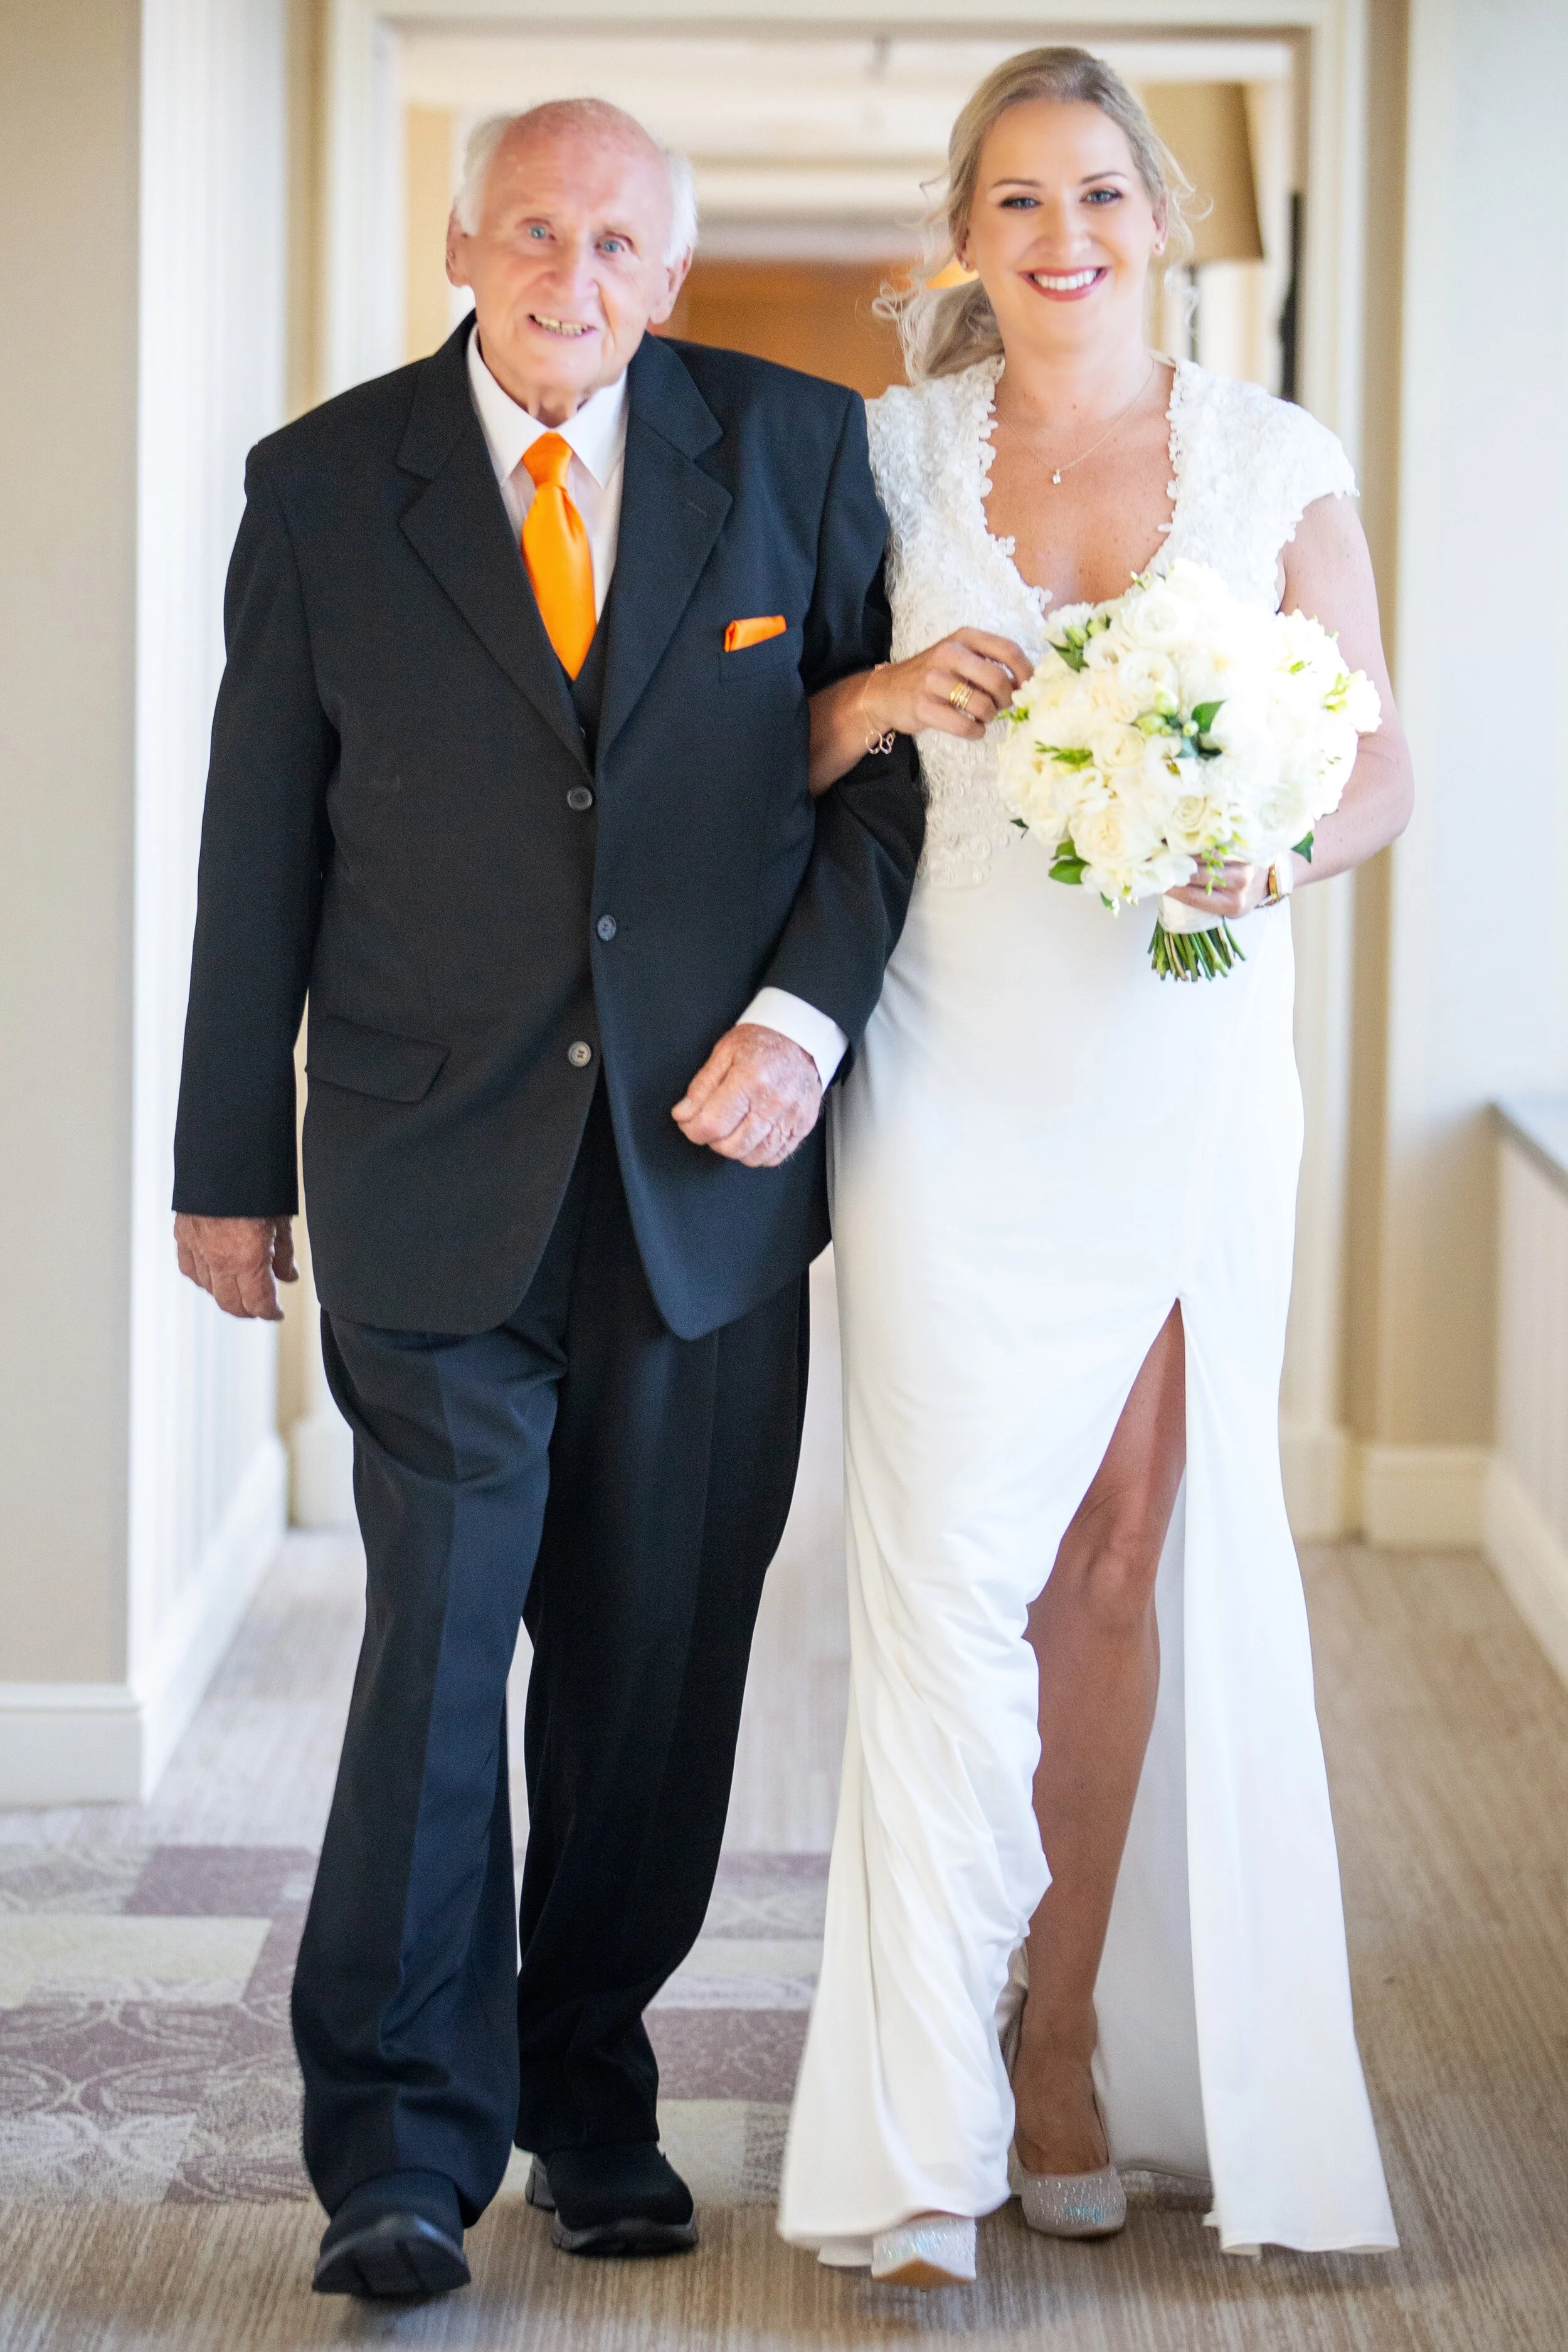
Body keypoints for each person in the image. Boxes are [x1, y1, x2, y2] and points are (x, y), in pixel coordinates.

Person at [171, 98, 922, 2299]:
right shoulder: (323, 486)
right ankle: (399, 2149)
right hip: (423, 1168)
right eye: (531, 230)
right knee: (435, 1652)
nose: (568, 272)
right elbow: (254, 849)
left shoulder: (797, 450)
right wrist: (227, 1158)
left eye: (614, 241)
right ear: (460, 242)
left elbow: (878, 787)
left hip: (705, 1181)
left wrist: (802, 1019)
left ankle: (591, 2086)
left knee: (649, 1668)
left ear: (667, 275)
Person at [779, 47, 1412, 2286]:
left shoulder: (1269, 459)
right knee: (943, 1559)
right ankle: (918, 2116)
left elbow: (1375, 761)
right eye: (1017, 199)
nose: (1062, 235)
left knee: (1117, 1568)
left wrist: (1271, 845)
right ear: (964, 234)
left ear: (1159, 219)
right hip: (949, 1044)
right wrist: (870, 703)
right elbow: (774, 730)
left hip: (1181, 1046)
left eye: (1101, 195)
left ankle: (1059, 2038)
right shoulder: (870, 458)